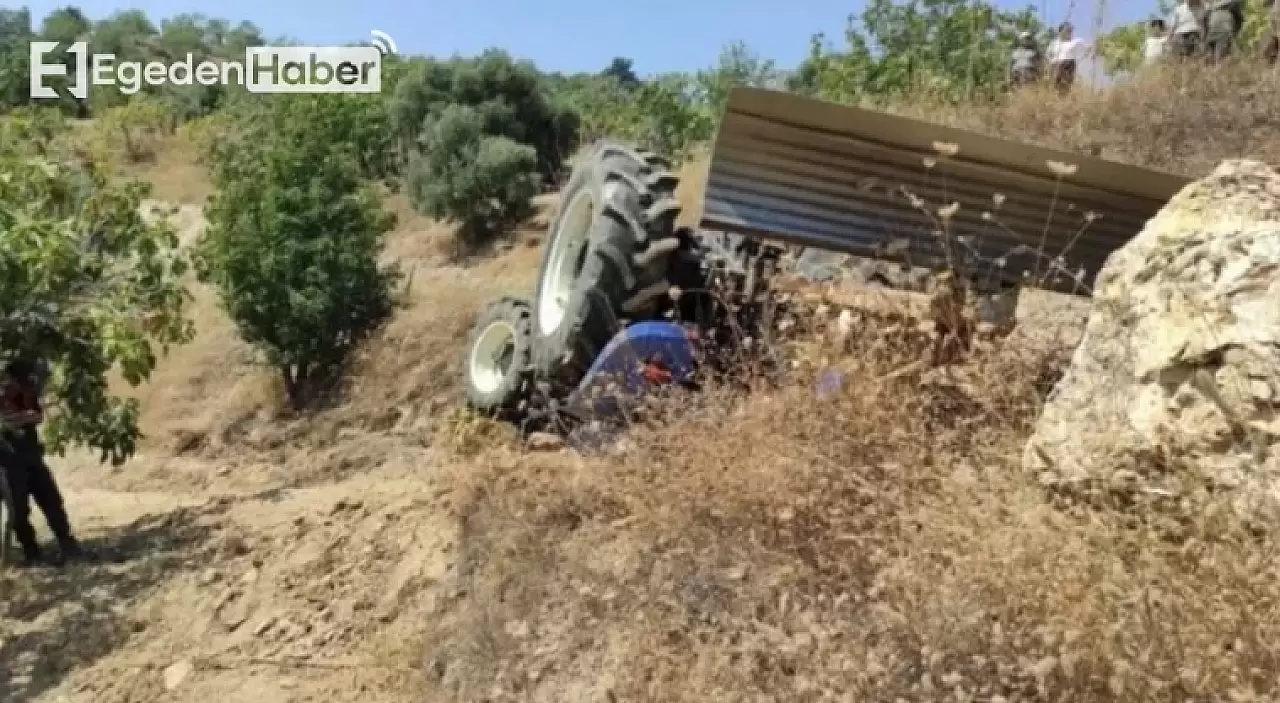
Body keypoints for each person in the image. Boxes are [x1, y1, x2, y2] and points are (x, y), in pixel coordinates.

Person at [0, 357, 82, 566]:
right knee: (18, 509)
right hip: (9, 461)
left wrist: (18, 418)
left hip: (31, 456)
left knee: (51, 499)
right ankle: (31, 552)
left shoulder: (25, 395)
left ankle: (67, 544)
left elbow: (35, 416)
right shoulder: (4, 396)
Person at [1047, 22, 1087, 93]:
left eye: (1070, 30)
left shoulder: (1076, 41)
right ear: (1060, 31)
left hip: (1068, 65)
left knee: (1064, 87)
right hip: (1056, 66)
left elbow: (1086, 47)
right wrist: (1052, 63)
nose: (1070, 32)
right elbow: (1048, 54)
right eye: (1067, 30)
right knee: (1054, 87)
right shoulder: (1054, 43)